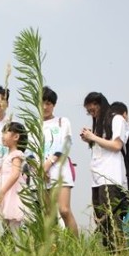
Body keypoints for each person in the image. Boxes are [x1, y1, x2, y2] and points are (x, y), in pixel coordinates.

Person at [81, 92, 128, 250]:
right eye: (89, 112)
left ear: (99, 104)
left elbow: (116, 145)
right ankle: (108, 255)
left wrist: (93, 138)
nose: (91, 114)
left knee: (112, 220)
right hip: (97, 180)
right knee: (101, 221)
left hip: (111, 178)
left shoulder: (116, 119)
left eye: (92, 110)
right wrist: (91, 138)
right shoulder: (99, 124)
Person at [0, 122, 30, 241]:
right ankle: (12, 250)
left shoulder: (16, 154)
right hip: (7, 191)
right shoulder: (10, 155)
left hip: (11, 193)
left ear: (16, 137)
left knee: (14, 226)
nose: (2, 135)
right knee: (8, 225)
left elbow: (15, 174)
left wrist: (2, 192)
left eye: (6, 132)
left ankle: (19, 252)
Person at [41, 87, 79, 236]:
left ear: (54, 105)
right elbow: (30, 151)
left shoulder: (62, 122)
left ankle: (75, 247)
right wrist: (39, 169)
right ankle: (53, 249)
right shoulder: (34, 125)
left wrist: (49, 163)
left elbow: (66, 144)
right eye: (42, 103)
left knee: (64, 210)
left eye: (49, 103)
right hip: (41, 174)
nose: (45, 107)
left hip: (60, 170)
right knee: (48, 214)